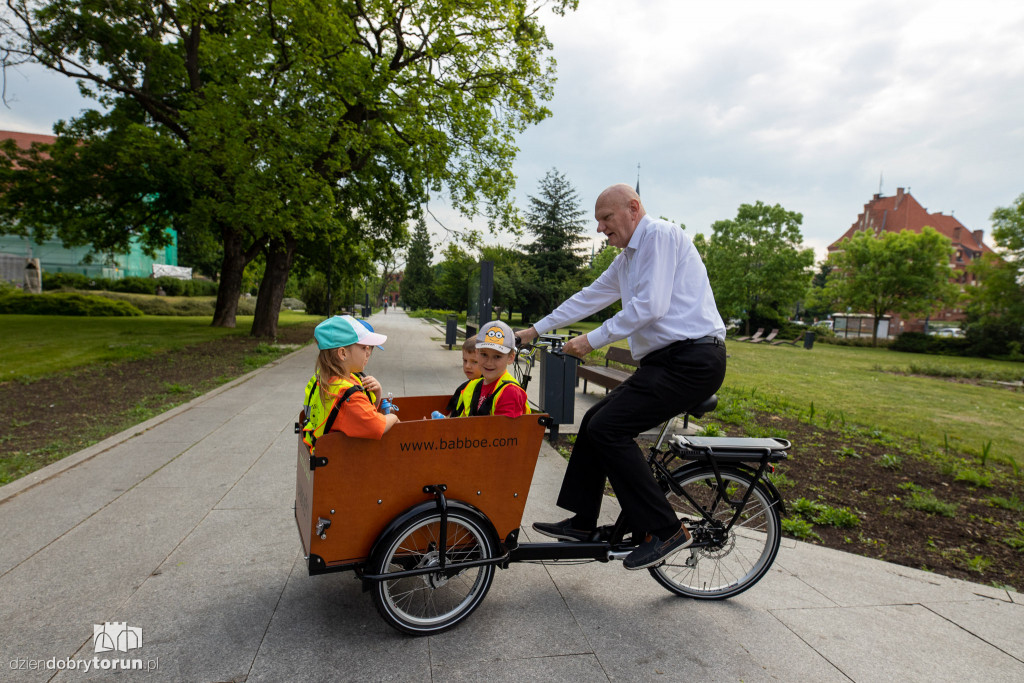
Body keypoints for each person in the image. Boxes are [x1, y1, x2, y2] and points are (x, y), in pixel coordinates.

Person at [517, 184, 727, 571]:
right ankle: (582, 522)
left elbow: (651, 305)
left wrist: (591, 340)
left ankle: (666, 530)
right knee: (595, 421)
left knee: (609, 429)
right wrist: (534, 330)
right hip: (666, 363)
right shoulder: (627, 258)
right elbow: (589, 296)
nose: (600, 229)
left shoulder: (660, 236)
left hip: (693, 360)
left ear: (633, 208)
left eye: (605, 218)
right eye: (598, 221)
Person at [301, 315, 400, 451]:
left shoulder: (327, 381)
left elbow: (363, 416)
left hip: (323, 457)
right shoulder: (348, 395)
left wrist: (377, 394)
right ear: (343, 353)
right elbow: (377, 426)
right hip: (339, 464)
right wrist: (393, 417)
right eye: (364, 347)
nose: (368, 353)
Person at [452, 320, 530, 418]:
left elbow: (504, 432)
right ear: (477, 353)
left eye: (497, 356)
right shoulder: (472, 385)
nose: (489, 362)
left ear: (510, 358)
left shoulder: (510, 392)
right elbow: (460, 422)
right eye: (484, 354)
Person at [444, 335, 481, 416]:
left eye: (474, 362)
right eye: (465, 360)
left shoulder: (484, 391)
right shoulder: (463, 387)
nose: (467, 366)